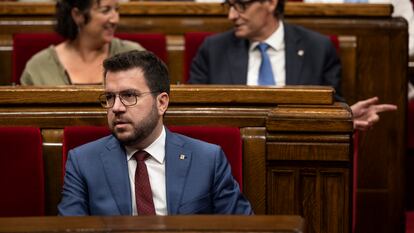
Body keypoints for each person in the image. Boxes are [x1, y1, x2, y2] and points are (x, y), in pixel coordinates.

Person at [58, 50, 253, 215]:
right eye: (109, 97)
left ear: (161, 103)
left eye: (129, 95)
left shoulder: (208, 159)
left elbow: (242, 227)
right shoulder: (83, 162)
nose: (116, 107)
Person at [188, 0, 397, 131]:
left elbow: (332, 108)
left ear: (270, 3)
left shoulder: (317, 48)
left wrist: (345, 118)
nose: (231, 15)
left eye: (241, 5)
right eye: (229, 5)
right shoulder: (213, 50)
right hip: (229, 160)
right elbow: (194, 113)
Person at [20, 0, 144, 85]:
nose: (115, 19)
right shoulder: (38, 67)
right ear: (78, 15)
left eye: (116, 9)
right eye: (105, 10)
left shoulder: (134, 56)